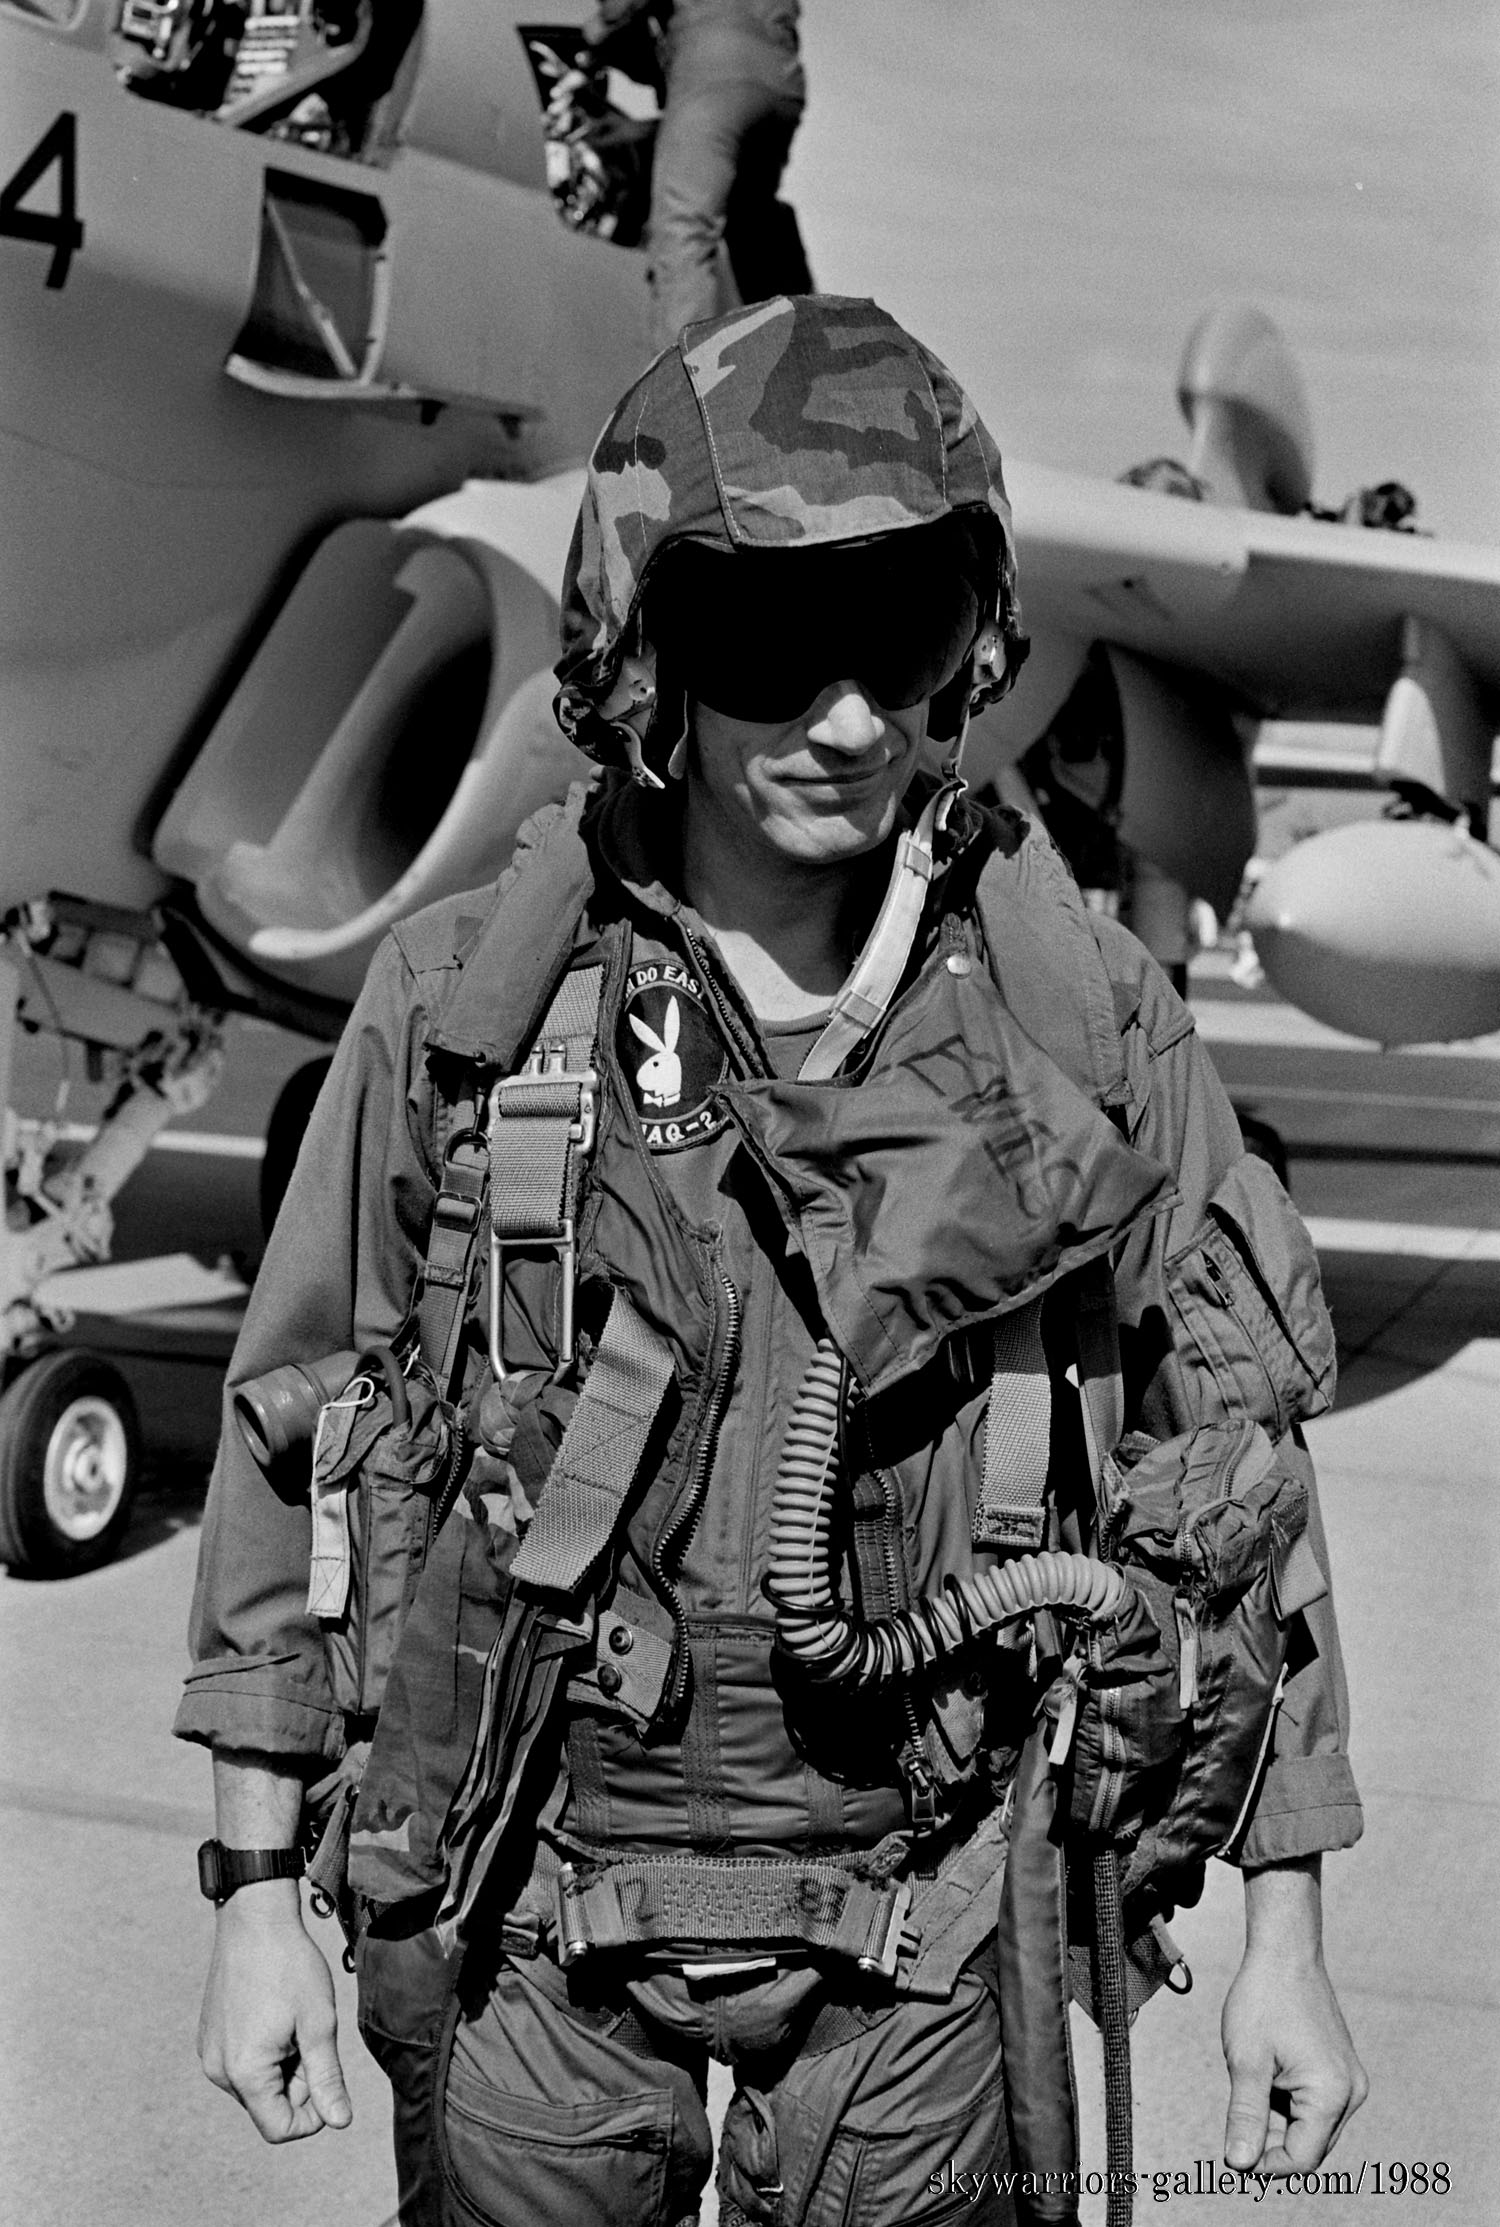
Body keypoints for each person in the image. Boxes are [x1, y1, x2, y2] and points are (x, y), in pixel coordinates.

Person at [182, 294, 1367, 2227]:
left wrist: (1286, 1937)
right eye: (767, 643)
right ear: (647, 653)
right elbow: (300, 1426)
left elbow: (1243, 1470)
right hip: (531, 1908)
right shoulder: (478, 1007)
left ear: (970, 648)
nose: (846, 721)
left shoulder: (1081, 1025)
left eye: (900, 639)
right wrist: (252, 1894)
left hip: (934, 1932)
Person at [582, 0, 808, 347]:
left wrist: (597, 31)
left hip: (716, 69)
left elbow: (619, 9)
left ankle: (685, 373)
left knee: (684, 229)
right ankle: (799, 357)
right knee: (754, 227)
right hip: (783, 82)